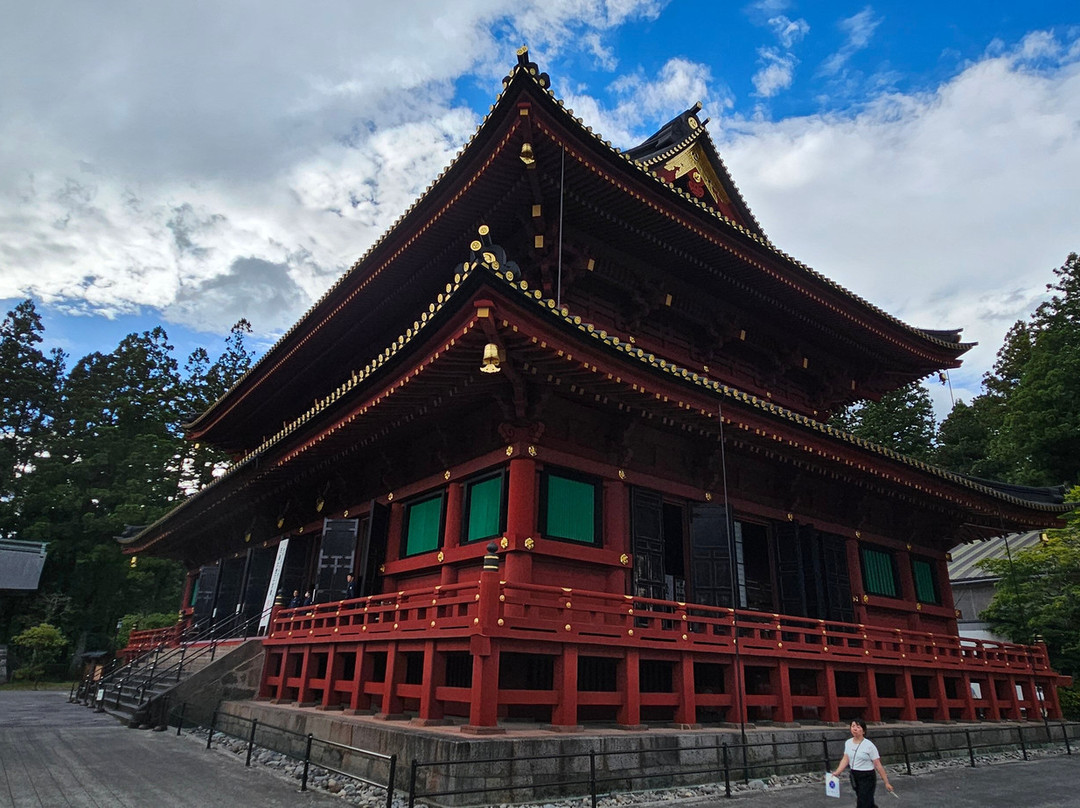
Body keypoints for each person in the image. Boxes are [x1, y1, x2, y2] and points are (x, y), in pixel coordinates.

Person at [832, 718, 893, 807]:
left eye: (858, 727)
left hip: (867, 776)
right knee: (867, 801)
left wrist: (886, 782)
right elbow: (845, 759)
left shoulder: (869, 746)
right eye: (853, 726)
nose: (855, 729)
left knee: (863, 801)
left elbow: (878, 764)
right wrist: (837, 772)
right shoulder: (848, 743)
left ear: (863, 731)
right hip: (854, 775)